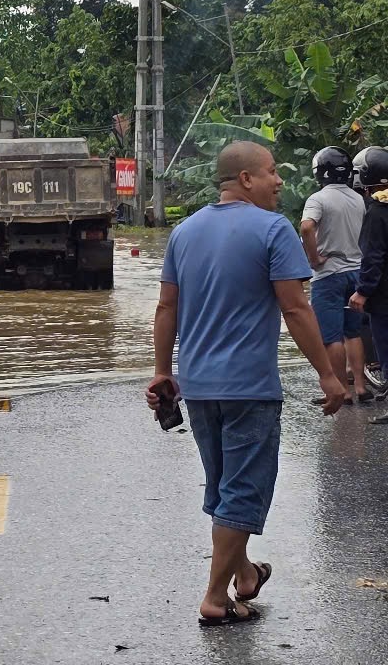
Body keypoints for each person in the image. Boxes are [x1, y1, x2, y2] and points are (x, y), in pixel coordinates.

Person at [146, 141, 342, 627]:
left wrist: (162, 370)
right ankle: (216, 596)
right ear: (247, 179)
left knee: (223, 486)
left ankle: (247, 574)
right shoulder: (274, 229)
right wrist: (328, 374)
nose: (279, 180)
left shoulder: (184, 232)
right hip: (250, 388)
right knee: (242, 491)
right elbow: (295, 308)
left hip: (199, 386)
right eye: (272, 172)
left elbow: (166, 307)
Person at [301, 146, 369, 404]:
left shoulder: (318, 199)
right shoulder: (358, 199)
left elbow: (307, 227)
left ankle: (342, 391)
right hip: (357, 273)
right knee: (353, 333)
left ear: (320, 172)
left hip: (329, 274)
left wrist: (314, 258)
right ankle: (361, 387)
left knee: (331, 336)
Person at [349, 147, 388, 421]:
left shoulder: (376, 212)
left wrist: (362, 291)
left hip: (383, 297)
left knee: (386, 347)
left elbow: (373, 257)